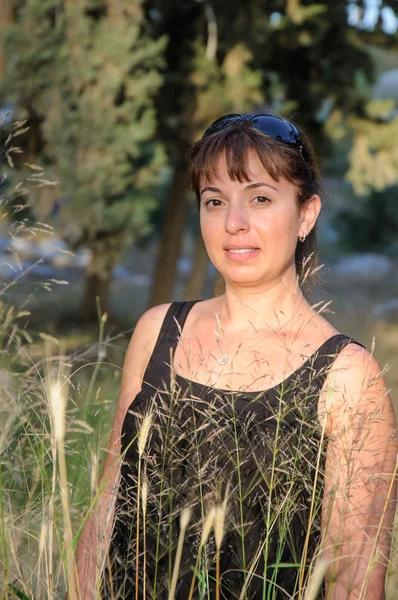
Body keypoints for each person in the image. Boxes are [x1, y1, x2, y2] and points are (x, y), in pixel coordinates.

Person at [71, 114, 397, 600]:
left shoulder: (348, 377)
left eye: (260, 198)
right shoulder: (158, 331)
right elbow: (107, 508)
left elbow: (354, 580)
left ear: (306, 214)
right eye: (214, 201)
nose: (233, 223)